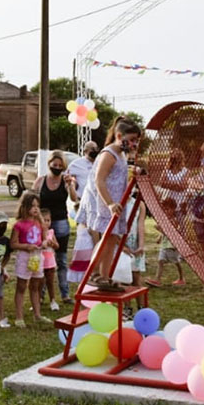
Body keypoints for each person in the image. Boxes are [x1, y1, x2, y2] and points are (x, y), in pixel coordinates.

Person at [78, 116, 143, 291]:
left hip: (115, 202)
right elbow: (99, 180)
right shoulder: (109, 153)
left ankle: (105, 277)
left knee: (112, 239)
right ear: (119, 136)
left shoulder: (121, 154)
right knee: (106, 238)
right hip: (103, 202)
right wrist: (109, 204)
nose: (134, 143)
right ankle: (93, 273)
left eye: (136, 140)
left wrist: (133, 170)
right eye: (131, 140)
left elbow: (119, 174)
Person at [33, 151, 78, 303]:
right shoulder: (40, 181)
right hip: (42, 223)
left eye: (60, 165)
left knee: (61, 261)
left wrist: (70, 185)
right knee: (43, 259)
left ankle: (65, 294)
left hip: (60, 223)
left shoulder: (65, 181)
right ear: (49, 164)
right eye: (55, 165)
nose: (57, 167)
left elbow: (74, 198)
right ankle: (41, 294)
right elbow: (32, 199)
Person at [11, 192, 51, 327]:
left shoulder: (39, 223)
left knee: (36, 286)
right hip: (25, 256)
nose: (35, 209)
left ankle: (37, 315)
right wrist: (26, 246)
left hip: (37, 256)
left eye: (37, 206)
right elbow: (13, 244)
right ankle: (19, 316)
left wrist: (45, 242)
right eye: (32, 206)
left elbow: (45, 237)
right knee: (21, 286)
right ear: (25, 207)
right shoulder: (19, 224)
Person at [66, 141, 100, 286]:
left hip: (100, 205)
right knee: (85, 240)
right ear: (85, 150)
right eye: (92, 149)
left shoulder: (101, 162)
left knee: (98, 240)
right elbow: (72, 187)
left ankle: (98, 270)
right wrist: (70, 185)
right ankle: (83, 275)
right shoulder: (76, 165)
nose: (95, 151)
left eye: (96, 149)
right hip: (83, 205)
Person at [145, 197, 185, 287]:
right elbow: (164, 233)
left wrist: (160, 230)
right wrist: (160, 237)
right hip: (164, 245)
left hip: (172, 245)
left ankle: (181, 278)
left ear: (173, 209)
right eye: (165, 209)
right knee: (160, 261)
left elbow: (169, 233)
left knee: (176, 262)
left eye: (168, 209)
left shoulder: (174, 221)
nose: (166, 211)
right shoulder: (165, 220)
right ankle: (157, 280)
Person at [122, 197, 149, 310]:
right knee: (124, 279)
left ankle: (141, 308)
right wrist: (122, 246)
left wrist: (141, 245)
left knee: (136, 278)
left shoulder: (139, 204)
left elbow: (140, 225)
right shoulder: (116, 201)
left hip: (135, 245)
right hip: (120, 246)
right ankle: (127, 309)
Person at [39, 208, 61, 311]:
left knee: (50, 282)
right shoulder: (37, 233)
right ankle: (38, 299)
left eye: (48, 220)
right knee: (39, 282)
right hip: (40, 261)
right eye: (44, 220)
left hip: (50, 261)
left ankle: (53, 300)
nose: (47, 222)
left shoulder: (51, 232)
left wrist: (53, 244)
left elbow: (57, 246)